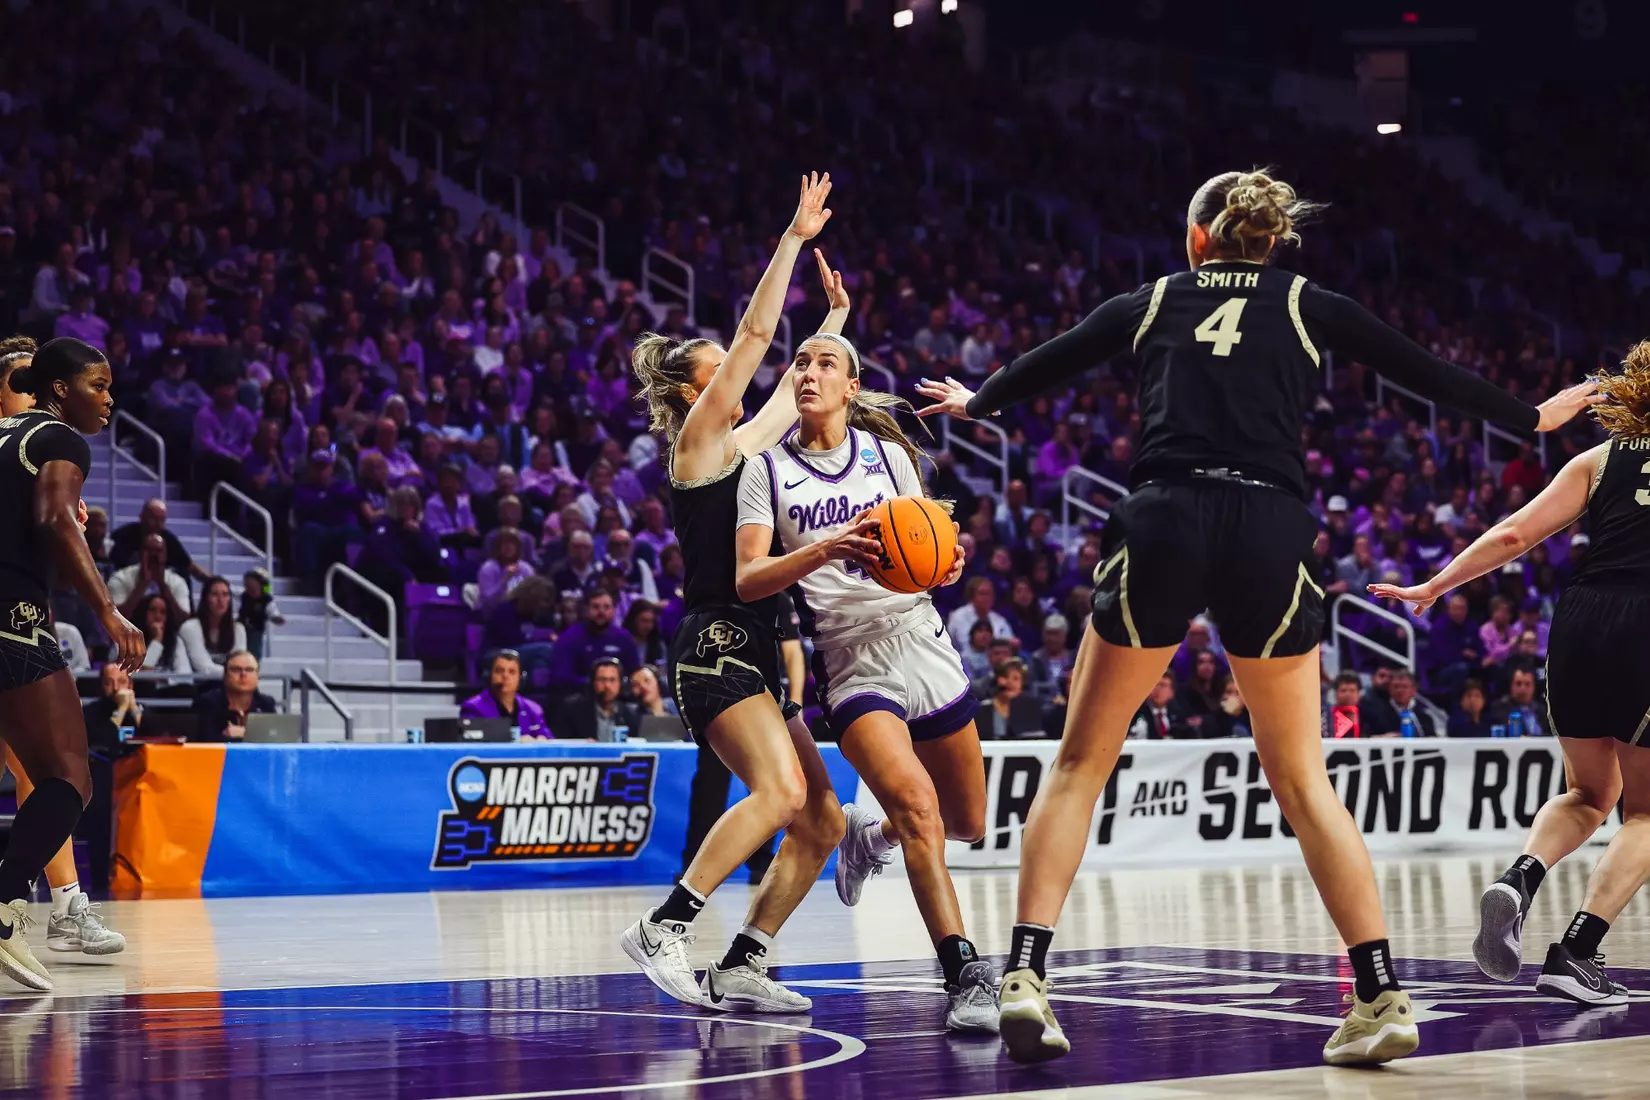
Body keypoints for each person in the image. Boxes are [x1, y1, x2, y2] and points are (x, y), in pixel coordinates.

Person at [917, 167, 1598, 1063]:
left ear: (1197, 238)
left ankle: (1025, 977)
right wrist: (1528, 417)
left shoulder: (1155, 296)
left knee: (1082, 761)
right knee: (1305, 782)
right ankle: (1381, 994)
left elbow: (1053, 357)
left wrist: (980, 401)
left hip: (1165, 515)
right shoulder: (1312, 303)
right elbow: (1426, 371)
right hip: (1269, 527)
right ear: (1272, 241)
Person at [621, 175, 849, 1017]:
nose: (741, 371)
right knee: (781, 795)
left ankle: (744, 959)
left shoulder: (742, 444)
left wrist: (833, 329)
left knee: (821, 816)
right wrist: (792, 238)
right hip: (717, 641)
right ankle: (665, 926)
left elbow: (793, 387)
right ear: (693, 391)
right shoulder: (696, 442)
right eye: (719, 371)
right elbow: (758, 333)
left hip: (761, 642)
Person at [1371, 341, 1650, 1005]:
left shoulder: (1598, 460)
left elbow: (1512, 537)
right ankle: (1577, 952)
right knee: (1645, 812)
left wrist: (1434, 587)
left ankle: (1521, 878)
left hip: (1579, 623)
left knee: (1587, 792)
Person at [735, 331, 996, 1033]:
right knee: (919, 808)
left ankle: (868, 839)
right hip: (851, 659)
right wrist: (825, 547)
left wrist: (946, 560)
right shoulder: (765, 470)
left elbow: (928, 536)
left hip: (923, 638)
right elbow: (747, 575)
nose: (808, 371)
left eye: (825, 363)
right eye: (799, 362)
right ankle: (965, 975)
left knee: (967, 822)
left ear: (851, 387)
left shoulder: (888, 455)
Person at [0, 338, 144, 991]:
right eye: (98, 384)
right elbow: (56, 517)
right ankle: (5, 908)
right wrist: (109, 612)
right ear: (60, 390)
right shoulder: (61, 441)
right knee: (69, 778)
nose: (109, 398)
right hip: (12, 616)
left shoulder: (4, 436)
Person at [460, 650, 551, 740]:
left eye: (512, 672)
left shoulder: (533, 709)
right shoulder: (473, 707)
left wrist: (542, 739)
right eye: (499, 671)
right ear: (489, 676)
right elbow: (470, 739)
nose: (505, 676)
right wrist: (516, 740)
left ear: (521, 678)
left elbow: (548, 738)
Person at [192, 651, 279, 742]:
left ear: (257, 676)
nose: (243, 675)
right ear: (225, 676)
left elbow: (275, 738)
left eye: (249, 670)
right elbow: (206, 742)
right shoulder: (207, 703)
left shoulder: (266, 703)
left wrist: (245, 733)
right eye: (236, 670)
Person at [107, 533, 193, 625]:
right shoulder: (120, 578)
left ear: (165, 554)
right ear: (140, 553)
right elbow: (114, 618)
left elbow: (184, 620)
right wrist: (142, 584)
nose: (154, 554)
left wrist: (162, 585)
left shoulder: (178, 582)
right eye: (149, 549)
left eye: (158, 550)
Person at [552, 658, 640, 741]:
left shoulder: (629, 714)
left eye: (612, 680)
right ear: (592, 683)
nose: (607, 686)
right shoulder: (572, 709)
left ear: (620, 684)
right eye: (602, 680)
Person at [178, 576, 248, 676]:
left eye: (225, 594)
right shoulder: (190, 627)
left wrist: (236, 672)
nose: (221, 600)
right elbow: (203, 668)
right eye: (215, 594)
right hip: (201, 685)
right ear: (206, 599)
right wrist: (233, 672)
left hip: (230, 682)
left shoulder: (238, 628)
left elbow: (239, 663)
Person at [1130, 675, 1192, 740]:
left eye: (1163, 685)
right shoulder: (1135, 713)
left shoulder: (1179, 714)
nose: (1158, 689)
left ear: (1172, 692)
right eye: (1155, 684)